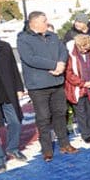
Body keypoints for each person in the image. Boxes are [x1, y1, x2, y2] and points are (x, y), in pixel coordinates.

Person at [17, 11, 78, 162]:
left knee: (60, 113)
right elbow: (30, 59)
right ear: (34, 23)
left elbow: (63, 50)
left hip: (57, 83)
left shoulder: (53, 36)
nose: (47, 22)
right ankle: (47, 150)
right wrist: (53, 65)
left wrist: (61, 64)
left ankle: (64, 144)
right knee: (43, 118)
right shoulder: (23, 39)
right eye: (44, 21)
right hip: (38, 87)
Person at [0, 20, 26, 172]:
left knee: (15, 121)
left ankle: (12, 147)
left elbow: (13, 69)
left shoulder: (4, 46)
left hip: (6, 92)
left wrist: (19, 87)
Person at [64, 34, 90, 143]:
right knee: (81, 113)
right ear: (78, 45)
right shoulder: (70, 54)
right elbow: (69, 73)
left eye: (87, 48)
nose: (85, 50)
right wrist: (83, 83)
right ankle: (86, 134)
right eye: (83, 47)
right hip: (77, 89)